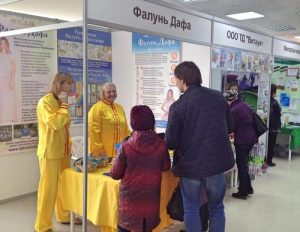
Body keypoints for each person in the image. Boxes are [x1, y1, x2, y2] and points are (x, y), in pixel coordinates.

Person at [165, 61, 235, 232]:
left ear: (182, 80)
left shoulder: (178, 107)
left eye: (176, 79)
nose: (176, 83)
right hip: (216, 164)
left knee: (191, 208)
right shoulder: (218, 97)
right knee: (216, 207)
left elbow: (171, 142)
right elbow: (230, 127)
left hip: (190, 166)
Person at [110, 105, 171, 232]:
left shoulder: (126, 146)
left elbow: (115, 174)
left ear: (133, 122)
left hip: (129, 205)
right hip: (150, 203)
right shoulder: (161, 145)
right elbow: (166, 167)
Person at [35, 72, 74, 232]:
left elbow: (64, 125)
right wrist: (64, 107)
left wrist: (64, 106)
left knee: (63, 185)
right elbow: (55, 123)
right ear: (59, 84)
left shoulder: (60, 101)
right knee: (48, 189)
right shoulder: (46, 102)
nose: (70, 87)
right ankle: (42, 225)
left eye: (71, 84)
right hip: (50, 151)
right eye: (68, 84)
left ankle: (63, 215)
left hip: (64, 150)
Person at [224, 91, 257, 200]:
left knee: (241, 165)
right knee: (244, 163)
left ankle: (242, 191)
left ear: (229, 100)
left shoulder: (234, 110)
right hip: (251, 138)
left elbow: (230, 128)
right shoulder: (243, 104)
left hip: (243, 140)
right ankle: (248, 187)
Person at [88, 83, 130, 158]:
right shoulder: (97, 108)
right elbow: (93, 131)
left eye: (114, 91)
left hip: (119, 152)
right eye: (109, 92)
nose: (112, 94)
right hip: (102, 154)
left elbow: (125, 129)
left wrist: (128, 144)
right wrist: (99, 150)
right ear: (103, 94)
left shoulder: (119, 107)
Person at [0, 37, 17, 124]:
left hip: (8, 81)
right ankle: (2, 119)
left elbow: (13, 70)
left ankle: (9, 119)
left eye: (4, 43)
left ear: (7, 44)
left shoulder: (11, 56)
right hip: (0, 81)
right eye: (1, 43)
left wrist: (12, 81)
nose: (3, 45)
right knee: (2, 101)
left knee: (9, 101)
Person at [267, 84, 281, 166]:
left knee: (267, 144)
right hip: (274, 127)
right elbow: (279, 113)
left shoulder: (266, 101)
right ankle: (269, 161)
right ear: (273, 92)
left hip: (267, 126)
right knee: (271, 145)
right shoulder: (275, 102)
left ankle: (266, 160)